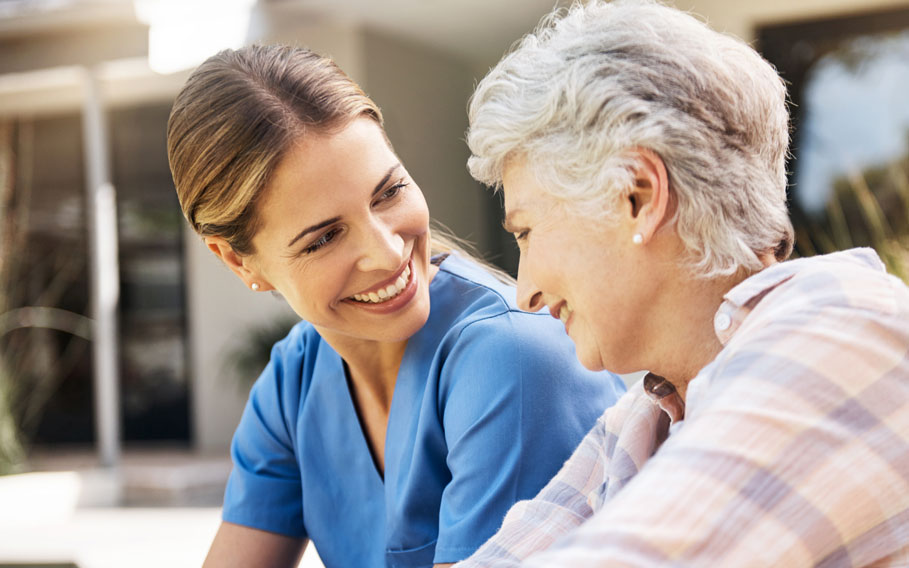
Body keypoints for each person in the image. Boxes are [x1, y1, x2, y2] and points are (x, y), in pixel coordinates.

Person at [457, 0, 909, 566]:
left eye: (525, 231)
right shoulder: (641, 422)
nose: (524, 293)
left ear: (639, 197)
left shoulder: (848, 329)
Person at [166, 44, 626, 568]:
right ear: (238, 262)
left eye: (388, 192)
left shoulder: (512, 359)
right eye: (324, 238)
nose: (387, 253)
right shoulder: (294, 381)